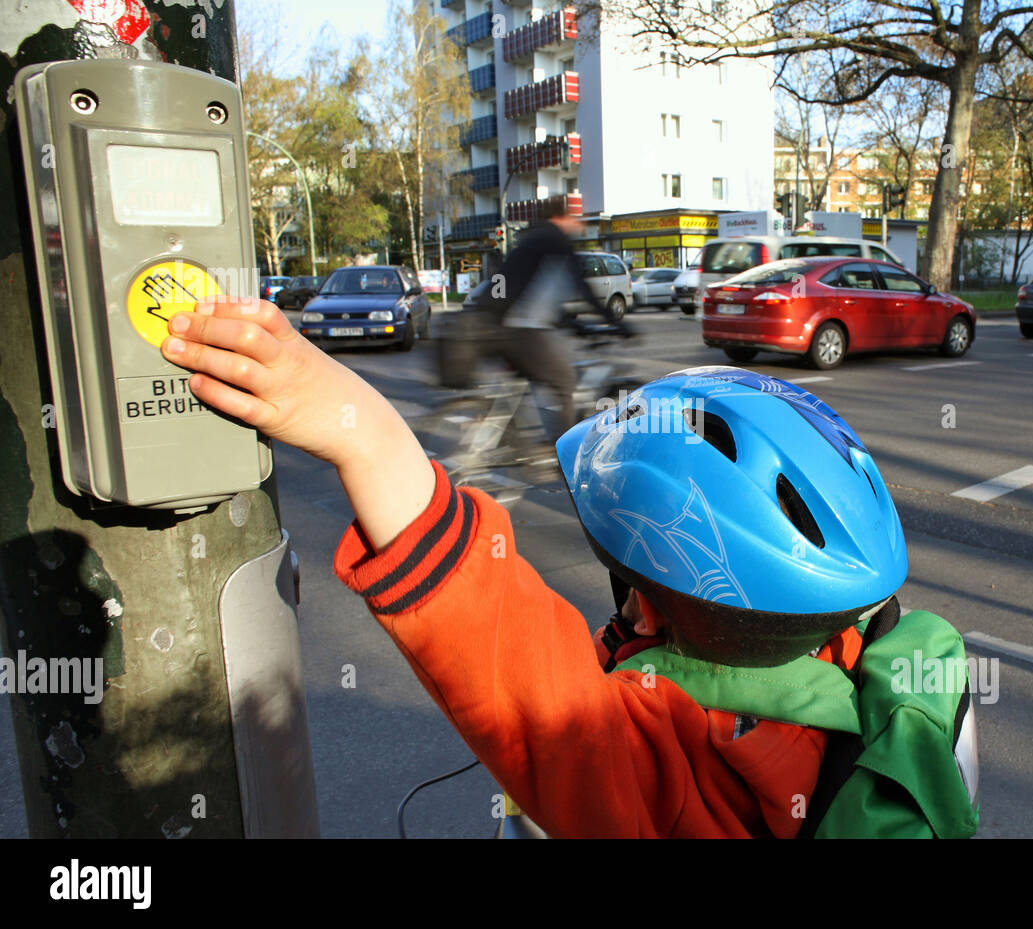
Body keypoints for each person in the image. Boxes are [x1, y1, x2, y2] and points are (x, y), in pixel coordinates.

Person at [159, 300, 961, 838]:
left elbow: (516, 666)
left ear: (663, 608)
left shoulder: (668, 770)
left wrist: (361, 429)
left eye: (633, 592)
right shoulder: (865, 665)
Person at [481, 202, 630, 432]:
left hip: (504, 327)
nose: (575, 223)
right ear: (559, 217)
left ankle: (521, 441)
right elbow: (582, 286)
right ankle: (564, 455)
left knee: (539, 382)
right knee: (565, 382)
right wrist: (614, 321)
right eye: (572, 218)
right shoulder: (555, 239)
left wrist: (574, 324)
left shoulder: (530, 240)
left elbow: (538, 296)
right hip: (525, 332)